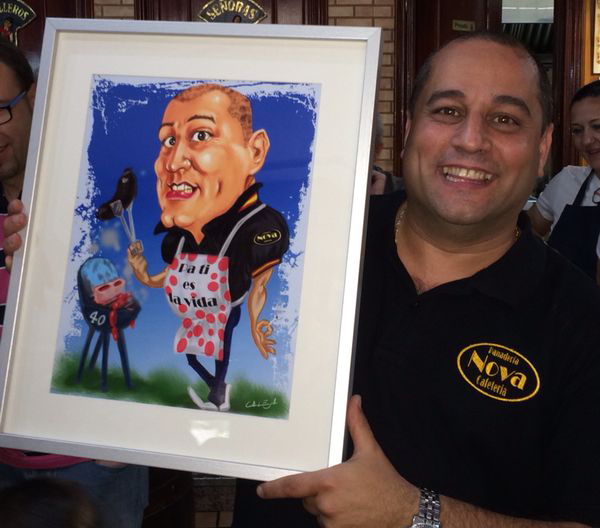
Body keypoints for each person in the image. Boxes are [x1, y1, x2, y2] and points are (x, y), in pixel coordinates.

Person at [232, 31, 600, 527]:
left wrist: (413, 513)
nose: (470, 140)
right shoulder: (305, 244)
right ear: (409, 128)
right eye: (447, 110)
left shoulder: (581, 320)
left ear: (543, 146)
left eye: (505, 119)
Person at [0, 39, 148, 528]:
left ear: (34, 96)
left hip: (94, 459)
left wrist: (133, 428)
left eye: (1, 109)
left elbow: (148, 302)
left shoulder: (94, 186)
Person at [127, 83, 289, 411]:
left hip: (225, 312)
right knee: (190, 356)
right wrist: (145, 277)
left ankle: (217, 394)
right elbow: (176, 275)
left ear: (255, 152)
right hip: (198, 313)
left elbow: (259, 286)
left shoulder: (260, 227)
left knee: (220, 350)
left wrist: (256, 325)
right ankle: (219, 388)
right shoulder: (182, 233)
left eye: (201, 135)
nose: (173, 162)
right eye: (168, 141)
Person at [528, 80, 600, 282]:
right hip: (557, 300)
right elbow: (527, 229)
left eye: (597, 126)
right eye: (577, 130)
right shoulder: (568, 180)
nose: (586, 140)